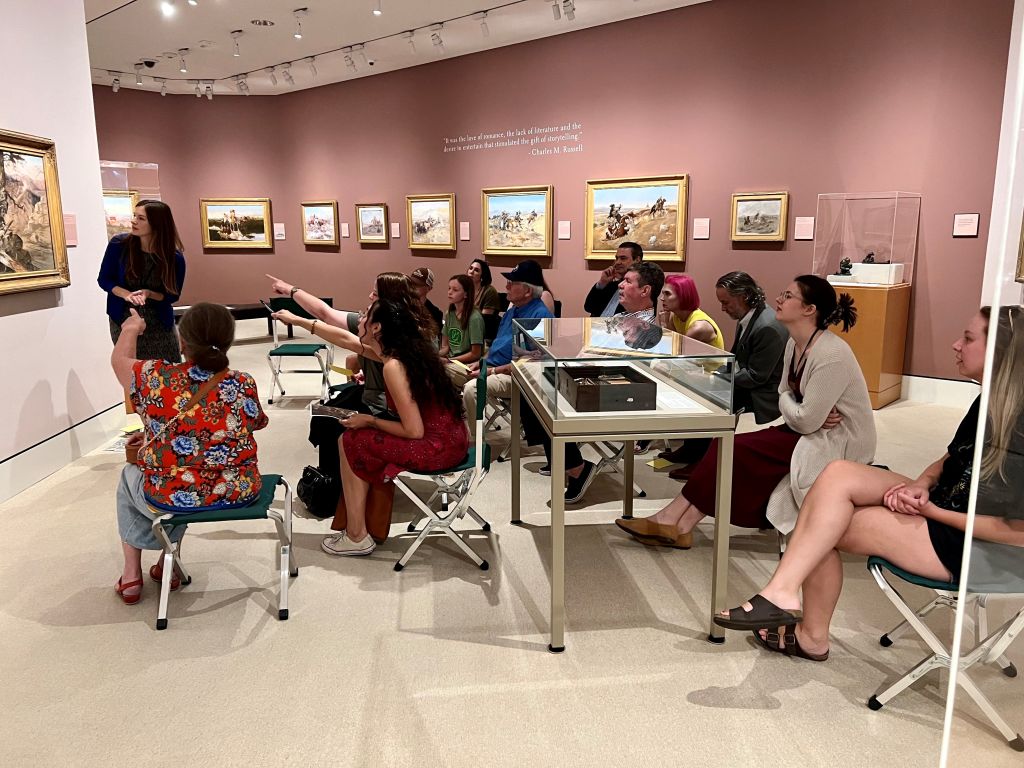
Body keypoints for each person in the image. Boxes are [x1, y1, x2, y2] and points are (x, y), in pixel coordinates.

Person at [715, 306, 1024, 664]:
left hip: (976, 544)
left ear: (1002, 352)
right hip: (947, 502)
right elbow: (952, 457)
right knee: (835, 475)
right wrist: (922, 483)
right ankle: (783, 594)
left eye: (968, 339)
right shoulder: (993, 399)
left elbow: (1016, 532)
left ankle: (808, 632)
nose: (956, 345)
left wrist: (932, 511)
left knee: (821, 524)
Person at [617, 275, 875, 548]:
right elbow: (787, 396)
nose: (778, 299)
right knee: (725, 447)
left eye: (788, 296)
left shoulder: (831, 354)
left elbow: (805, 418)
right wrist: (794, 404)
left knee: (733, 450)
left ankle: (674, 521)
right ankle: (679, 524)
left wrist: (794, 405)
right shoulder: (795, 343)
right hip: (807, 429)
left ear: (809, 309)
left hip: (836, 440)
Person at [274, 300, 470, 556]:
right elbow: (347, 340)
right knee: (353, 436)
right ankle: (358, 529)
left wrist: (369, 421)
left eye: (365, 315)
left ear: (377, 327)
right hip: (453, 438)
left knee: (351, 440)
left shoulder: (393, 365)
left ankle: (356, 535)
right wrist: (298, 320)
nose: (360, 317)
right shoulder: (405, 352)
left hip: (436, 447)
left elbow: (414, 431)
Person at [110, 303, 268, 603]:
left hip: (174, 495)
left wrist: (131, 328)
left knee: (138, 477)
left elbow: (119, 360)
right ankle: (166, 567)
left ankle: (132, 576)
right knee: (191, 474)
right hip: (239, 490)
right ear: (229, 340)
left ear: (182, 341)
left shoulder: (157, 376)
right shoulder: (244, 382)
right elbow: (255, 422)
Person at [522, 261, 665, 503]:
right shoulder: (623, 316)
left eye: (628, 281)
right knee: (531, 386)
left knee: (545, 399)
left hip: (615, 393)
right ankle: (563, 459)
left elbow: (624, 369)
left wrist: (578, 364)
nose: (620, 284)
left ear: (645, 291)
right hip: (590, 377)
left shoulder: (648, 328)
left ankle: (576, 467)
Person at [658, 271, 788, 472]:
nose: (722, 308)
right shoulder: (750, 316)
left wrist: (713, 378)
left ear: (743, 296)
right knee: (697, 390)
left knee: (705, 396)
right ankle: (692, 451)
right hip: (748, 384)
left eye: (726, 302)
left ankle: (703, 463)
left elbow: (756, 376)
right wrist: (715, 376)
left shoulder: (767, 326)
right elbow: (736, 358)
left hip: (763, 396)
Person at [462, 260, 554, 434]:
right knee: (444, 373)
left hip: (514, 376)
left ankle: (477, 441)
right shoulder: (513, 310)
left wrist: (492, 371)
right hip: (492, 366)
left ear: (527, 291)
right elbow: (498, 343)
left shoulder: (540, 315)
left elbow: (533, 362)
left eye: (512, 283)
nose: (507, 286)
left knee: (472, 389)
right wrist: (482, 361)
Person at [98, 199, 186, 361]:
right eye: (134, 216)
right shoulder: (118, 245)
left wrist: (149, 293)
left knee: (167, 375)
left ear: (157, 223)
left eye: (141, 218)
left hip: (160, 324)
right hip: (124, 321)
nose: (133, 221)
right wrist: (126, 294)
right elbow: (104, 279)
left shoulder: (174, 258)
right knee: (133, 375)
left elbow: (172, 296)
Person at [657, 273, 724, 349]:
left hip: (710, 361)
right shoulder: (674, 316)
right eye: (663, 293)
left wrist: (664, 325)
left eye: (667, 294)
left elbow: (675, 351)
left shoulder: (698, 327)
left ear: (683, 296)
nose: (662, 298)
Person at [440, 274, 485, 386]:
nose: (450, 292)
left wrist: (450, 361)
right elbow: (446, 346)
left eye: (455, 290)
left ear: (465, 294)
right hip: (451, 361)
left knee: (439, 371)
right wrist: (435, 356)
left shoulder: (474, 318)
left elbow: (475, 353)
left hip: (467, 365)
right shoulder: (449, 313)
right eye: (449, 288)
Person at [584, 241, 643, 317]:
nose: (617, 262)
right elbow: (589, 308)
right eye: (617, 258)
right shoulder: (611, 285)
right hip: (596, 327)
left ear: (637, 260)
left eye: (623, 258)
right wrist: (602, 283)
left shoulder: (642, 290)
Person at [408, 267, 443, 345]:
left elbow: (435, 341)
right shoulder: (403, 305)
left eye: (417, 284)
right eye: (411, 283)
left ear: (429, 288)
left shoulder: (435, 313)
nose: (413, 286)